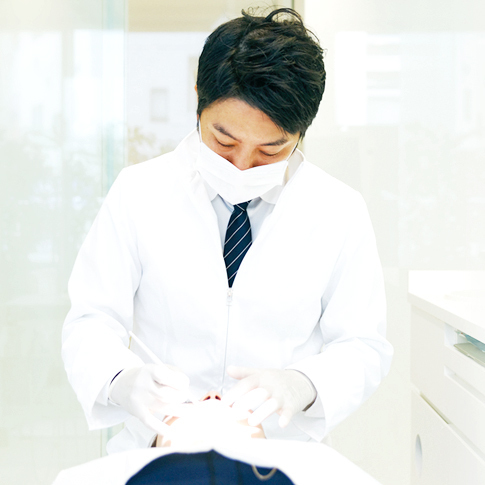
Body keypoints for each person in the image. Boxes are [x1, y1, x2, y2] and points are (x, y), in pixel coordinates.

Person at [62, 7, 393, 453]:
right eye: (224, 141)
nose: (241, 165)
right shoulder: (139, 193)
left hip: (282, 455)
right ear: (198, 97)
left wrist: (304, 384)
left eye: (270, 150)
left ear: (301, 133)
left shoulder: (338, 211)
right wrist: (121, 379)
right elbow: (92, 319)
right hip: (155, 449)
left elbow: (363, 345)